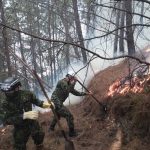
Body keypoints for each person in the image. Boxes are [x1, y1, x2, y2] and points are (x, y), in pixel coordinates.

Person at [1, 77, 52, 150]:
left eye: (10, 91)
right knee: (19, 146)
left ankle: (39, 147)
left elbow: (36, 101)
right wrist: (23, 116)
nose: (8, 94)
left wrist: (44, 104)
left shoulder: (27, 94)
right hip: (20, 127)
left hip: (32, 123)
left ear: (17, 88)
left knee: (39, 136)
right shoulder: (5, 103)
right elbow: (6, 120)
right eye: (6, 92)